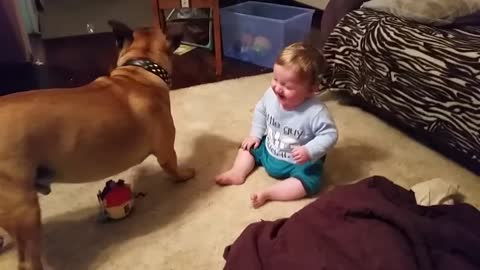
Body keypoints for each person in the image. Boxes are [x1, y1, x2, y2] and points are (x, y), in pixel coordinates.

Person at [215, 42, 338, 208]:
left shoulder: (316, 112)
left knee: (310, 180)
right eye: (275, 79)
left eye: (287, 86)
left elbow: (330, 134)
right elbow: (260, 110)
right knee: (247, 147)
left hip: (297, 162)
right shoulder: (270, 95)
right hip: (269, 148)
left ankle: (270, 193)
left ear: (311, 90)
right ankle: (237, 172)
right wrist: (255, 135)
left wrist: (309, 151)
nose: (277, 88)